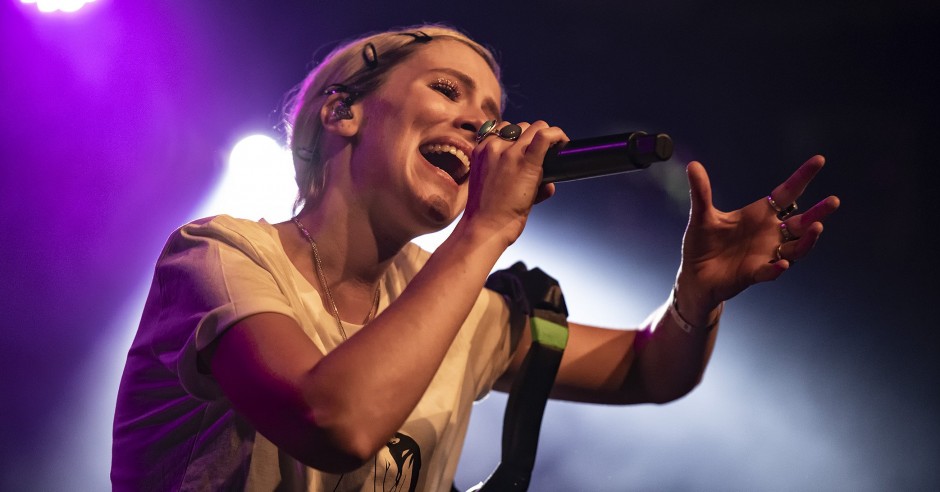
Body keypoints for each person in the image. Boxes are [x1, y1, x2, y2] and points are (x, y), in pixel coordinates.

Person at [111, 24, 840, 491]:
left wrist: (697, 296)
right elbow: (333, 423)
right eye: (446, 89)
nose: (481, 123)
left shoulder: (451, 306)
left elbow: (650, 369)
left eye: (490, 110)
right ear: (342, 111)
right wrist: (486, 231)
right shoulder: (220, 257)